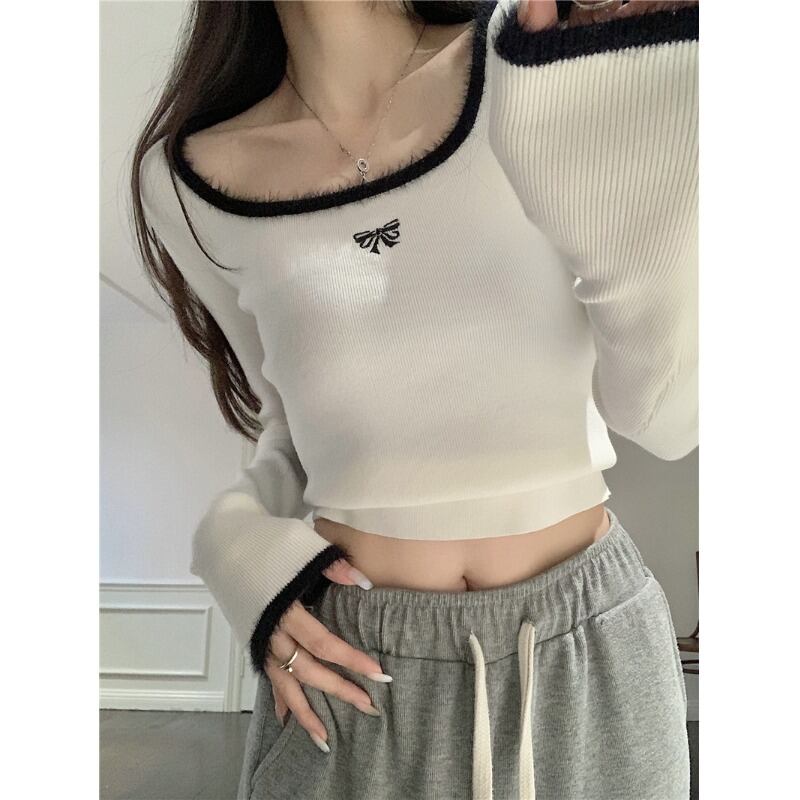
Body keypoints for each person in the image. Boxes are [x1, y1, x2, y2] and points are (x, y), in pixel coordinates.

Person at [130, 0, 698, 797]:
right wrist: (229, 546)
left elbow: (671, 417)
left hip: (586, 655)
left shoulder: (530, 59)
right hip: (354, 672)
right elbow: (289, 428)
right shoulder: (186, 182)